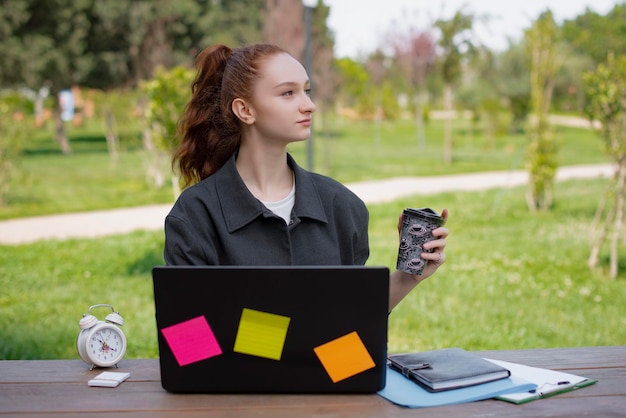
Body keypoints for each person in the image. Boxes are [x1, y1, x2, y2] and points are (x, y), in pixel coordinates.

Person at [163, 43, 449, 311]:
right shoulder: (195, 215)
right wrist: (285, 338)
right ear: (245, 110)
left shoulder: (343, 206)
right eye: (288, 93)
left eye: (306, 91)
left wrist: (406, 277)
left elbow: (349, 319)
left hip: (335, 366)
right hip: (230, 367)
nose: (308, 105)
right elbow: (186, 340)